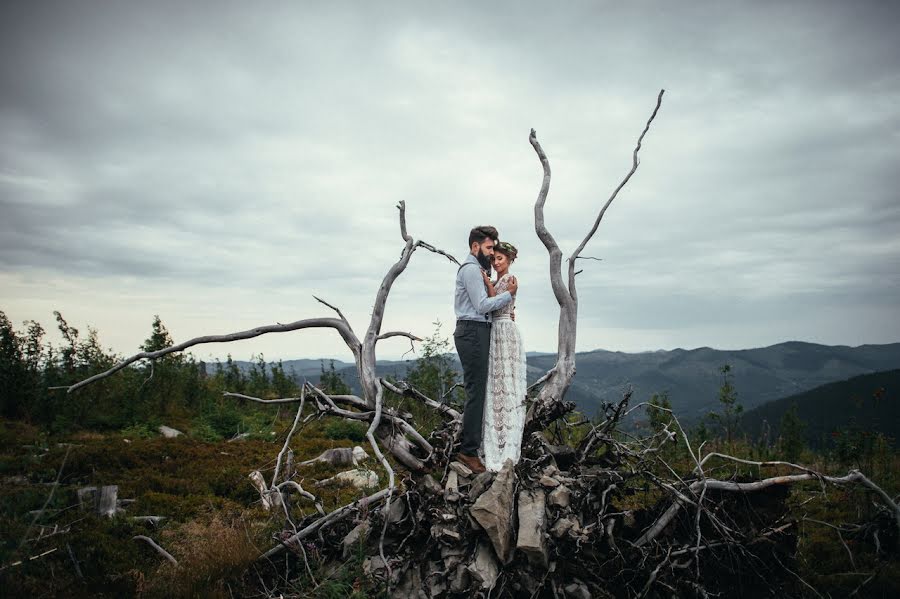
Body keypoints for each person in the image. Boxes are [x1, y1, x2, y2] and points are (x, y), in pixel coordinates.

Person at [454, 226, 518, 474]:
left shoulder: (478, 269)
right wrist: (508, 296)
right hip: (472, 331)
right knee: (476, 392)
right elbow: (481, 306)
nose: (492, 253)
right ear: (475, 247)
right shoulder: (470, 269)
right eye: (489, 248)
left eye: (494, 249)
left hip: (477, 331)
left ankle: (475, 445)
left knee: (480, 390)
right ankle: (468, 452)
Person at [480, 241, 526, 472]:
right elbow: (493, 302)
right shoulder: (500, 282)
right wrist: (489, 284)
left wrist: (491, 286)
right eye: (494, 259)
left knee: (505, 380)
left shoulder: (510, 280)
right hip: (496, 329)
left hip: (504, 330)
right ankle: (496, 433)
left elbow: (495, 306)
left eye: (500, 259)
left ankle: (506, 434)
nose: (496, 263)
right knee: (496, 379)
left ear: (509, 260)